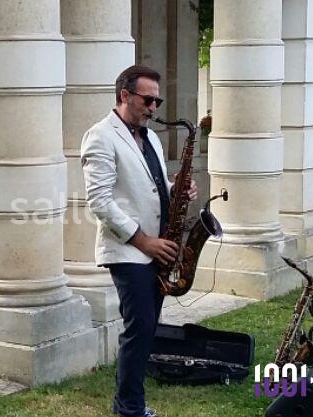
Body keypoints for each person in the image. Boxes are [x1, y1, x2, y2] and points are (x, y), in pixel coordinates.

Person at [80, 65, 197, 417]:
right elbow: (99, 201)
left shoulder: (152, 138)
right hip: (129, 250)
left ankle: (129, 403)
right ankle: (129, 407)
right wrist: (144, 241)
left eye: (157, 100)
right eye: (148, 99)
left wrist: (178, 191)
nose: (154, 107)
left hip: (157, 246)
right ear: (125, 96)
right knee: (140, 329)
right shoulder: (100, 135)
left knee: (146, 331)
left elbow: (151, 187)